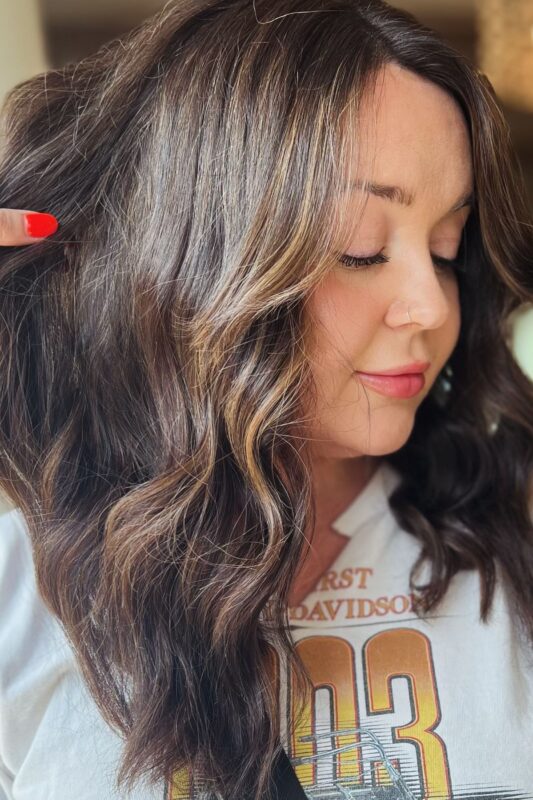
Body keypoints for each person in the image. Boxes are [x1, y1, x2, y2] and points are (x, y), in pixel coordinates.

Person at [0, 0, 532, 798]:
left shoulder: (503, 545)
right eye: (360, 248)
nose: (429, 304)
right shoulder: (27, 578)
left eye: (446, 250)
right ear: (197, 259)